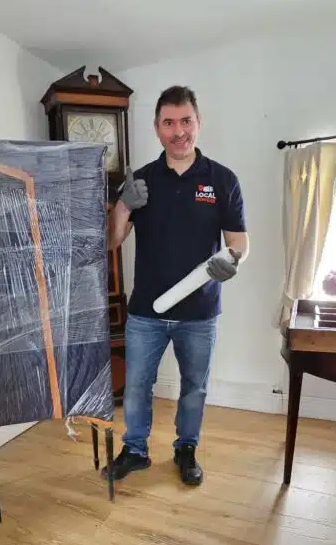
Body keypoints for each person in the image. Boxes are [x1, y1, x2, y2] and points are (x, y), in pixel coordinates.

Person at [105, 85, 249, 486]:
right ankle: (135, 451)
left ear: (197, 123)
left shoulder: (222, 180)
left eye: (186, 121)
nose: (178, 131)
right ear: (157, 128)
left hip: (200, 313)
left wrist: (232, 259)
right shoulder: (142, 180)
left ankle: (186, 449)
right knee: (135, 388)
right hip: (145, 311)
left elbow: (239, 241)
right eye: (169, 122)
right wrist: (124, 205)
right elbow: (113, 240)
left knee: (193, 389)